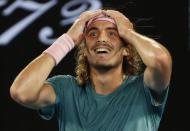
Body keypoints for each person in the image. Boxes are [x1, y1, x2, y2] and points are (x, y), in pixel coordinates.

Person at [10, 9, 172, 131]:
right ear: (85, 51)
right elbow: (21, 92)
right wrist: (67, 40)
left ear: (126, 50)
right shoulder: (65, 88)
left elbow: (160, 60)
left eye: (112, 34)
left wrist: (128, 32)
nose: (101, 38)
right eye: (93, 34)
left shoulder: (144, 88)